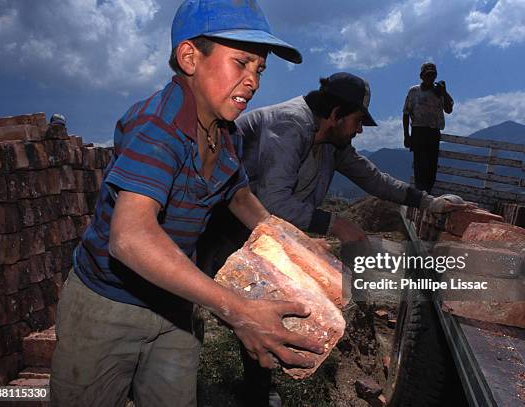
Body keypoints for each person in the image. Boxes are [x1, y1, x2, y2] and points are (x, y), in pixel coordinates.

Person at [49, 1, 324, 406]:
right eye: (241, 62)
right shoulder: (159, 127)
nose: (253, 81)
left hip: (175, 307)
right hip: (108, 308)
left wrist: (290, 243)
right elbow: (129, 237)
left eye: (259, 69)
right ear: (190, 57)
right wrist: (237, 311)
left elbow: (240, 196)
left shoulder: (225, 131)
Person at [196, 72, 470, 406]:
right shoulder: (289, 126)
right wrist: (336, 224)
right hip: (225, 225)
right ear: (336, 114)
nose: (358, 130)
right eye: (356, 121)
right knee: (219, 301)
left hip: (266, 231)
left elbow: (373, 178)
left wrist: (426, 201)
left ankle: (256, 385)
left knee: (267, 302)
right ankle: (200, 375)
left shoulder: (330, 141)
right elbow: (271, 201)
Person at [403, 62, 454, 192]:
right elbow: (406, 113)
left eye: (432, 75)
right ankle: (421, 194)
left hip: (433, 132)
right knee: (420, 166)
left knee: (431, 166)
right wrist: (406, 135)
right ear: (421, 76)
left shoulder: (439, 91)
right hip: (418, 132)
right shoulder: (414, 91)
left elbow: (449, 109)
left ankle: (427, 193)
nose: (430, 77)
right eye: (427, 75)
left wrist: (444, 92)